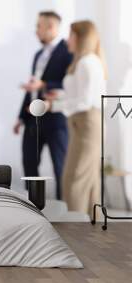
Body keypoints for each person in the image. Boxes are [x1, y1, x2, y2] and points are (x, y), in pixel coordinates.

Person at [45, 20, 106, 218]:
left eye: (71, 35)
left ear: (80, 38)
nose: (67, 39)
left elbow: (86, 101)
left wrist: (53, 106)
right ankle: (89, 227)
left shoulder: (87, 62)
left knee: (74, 179)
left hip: (87, 122)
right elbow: (80, 96)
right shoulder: (83, 61)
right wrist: (61, 96)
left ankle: (75, 226)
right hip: (82, 122)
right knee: (87, 179)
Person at [14, 11, 72, 200]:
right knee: (29, 163)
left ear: (50, 27)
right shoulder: (38, 54)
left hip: (56, 119)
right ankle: (32, 206)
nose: (36, 30)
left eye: (39, 26)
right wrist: (20, 118)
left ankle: (65, 212)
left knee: (60, 167)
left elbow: (71, 85)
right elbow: (32, 88)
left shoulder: (67, 52)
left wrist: (45, 85)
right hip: (33, 119)